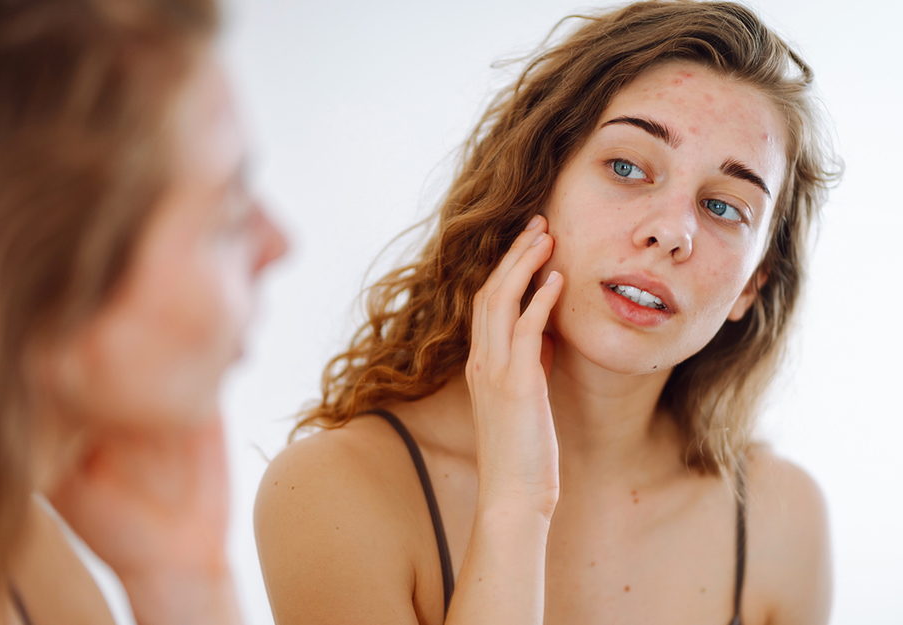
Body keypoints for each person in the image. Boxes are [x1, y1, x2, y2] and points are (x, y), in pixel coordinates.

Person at [255, 1, 840, 624]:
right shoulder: (334, 492)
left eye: (724, 207)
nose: (671, 231)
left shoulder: (782, 524)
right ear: (535, 185)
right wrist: (515, 504)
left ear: (752, 284)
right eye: (626, 167)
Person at [0, 0, 286, 623]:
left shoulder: (9, 553)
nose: (278, 245)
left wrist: (185, 581)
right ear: (41, 277)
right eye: (229, 214)